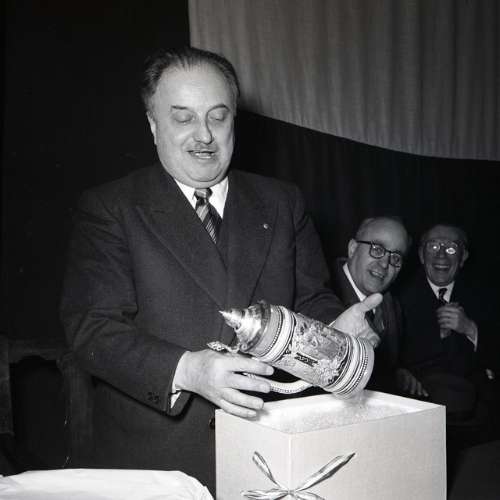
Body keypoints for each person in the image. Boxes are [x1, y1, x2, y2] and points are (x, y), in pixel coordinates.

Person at [60, 46, 381, 493]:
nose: (204, 136)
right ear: (153, 124)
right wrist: (188, 371)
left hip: (269, 447)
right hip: (157, 461)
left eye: (218, 116)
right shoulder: (111, 208)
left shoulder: (282, 202)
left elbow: (311, 298)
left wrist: (335, 335)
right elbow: (93, 330)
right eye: (183, 118)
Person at [399, 224, 499, 471]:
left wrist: (470, 329)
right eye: (433, 246)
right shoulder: (398, 294)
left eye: (451, 248)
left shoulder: (487, 294)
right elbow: (389, 353)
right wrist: (398, 370)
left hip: (476, 422)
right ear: (421, 255)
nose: (441, 255)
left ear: (463, 257)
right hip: (418, 415)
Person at [331, 216, 425, 395]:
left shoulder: (392, 305)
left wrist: (396, 373)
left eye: (395, 257)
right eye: (377, 249)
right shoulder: (318, 295)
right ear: (353, 248)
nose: (384, 264)